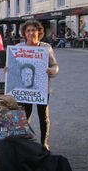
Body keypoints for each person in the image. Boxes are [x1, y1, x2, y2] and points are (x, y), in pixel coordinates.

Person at [16, 20, 59, 151]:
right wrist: (8, 69)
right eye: (28, 30)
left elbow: (55, 66)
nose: (30, 33)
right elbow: (13, 66)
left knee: (43, 117)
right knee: (25, 116)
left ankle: (44, 142)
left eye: (33, 30)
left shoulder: (46, 47)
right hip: (25, 90)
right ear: (24, 33)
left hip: (41, 89)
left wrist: (52, 71)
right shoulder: (19, 47)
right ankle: (26, 142)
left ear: (39, 32)